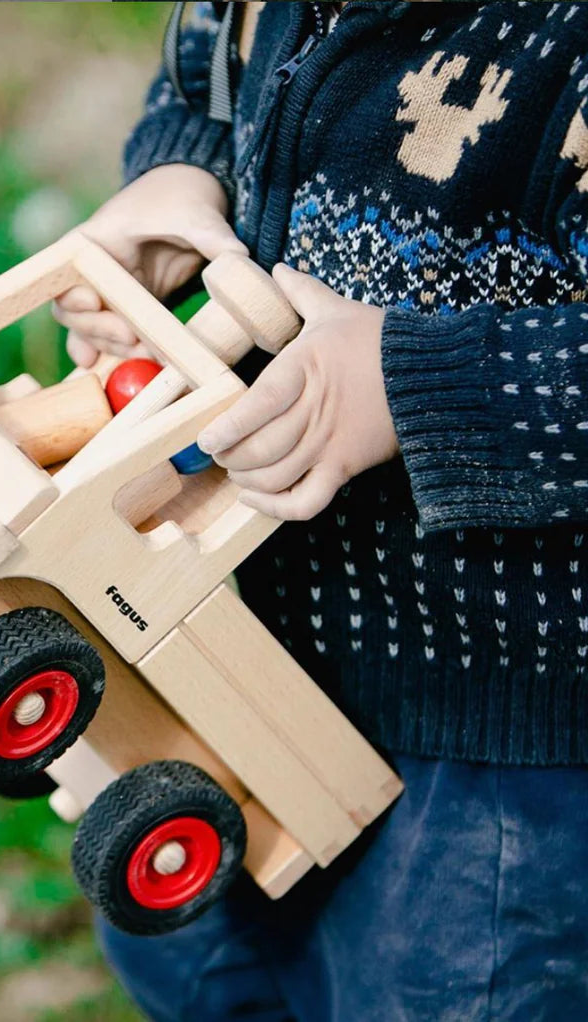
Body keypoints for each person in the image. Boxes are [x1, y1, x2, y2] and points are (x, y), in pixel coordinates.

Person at [51, 2, 588, 1019]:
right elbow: (214, 56)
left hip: (498, 742)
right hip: (253, 635)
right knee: (197, 960)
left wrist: (408, 385)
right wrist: (181, 173)